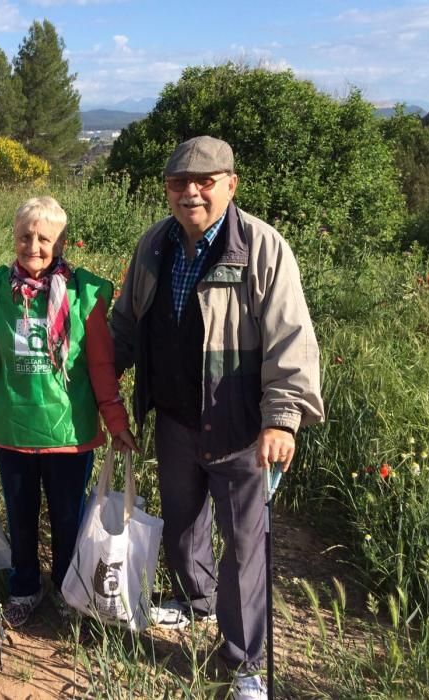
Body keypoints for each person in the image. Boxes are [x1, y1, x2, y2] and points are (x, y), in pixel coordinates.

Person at [109, 136, 324, 700]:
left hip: (239, 427)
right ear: (167, 191)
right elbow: (125, 325)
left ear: (231, 183)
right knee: (182, 532)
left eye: (206, 180)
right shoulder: (154, 245)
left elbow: (291, 339)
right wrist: (96, 384)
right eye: (180, 182)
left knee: (246, 547)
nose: (192, 192)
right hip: (175, 419)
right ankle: (197, 601)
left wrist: (282, 418)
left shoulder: (260, 248)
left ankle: (245, 661)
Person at [0, 196, 136, 628]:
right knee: (21, 514)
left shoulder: (85, 293)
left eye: (44, 238)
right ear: (13, 237)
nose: (33, 245)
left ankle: (70, 590)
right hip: (14, 426)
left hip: (69, 432)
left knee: (69, 518)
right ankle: (25, 587)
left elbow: (102, 366)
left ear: (62, 242)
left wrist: (117, 422)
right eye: (24, 236)